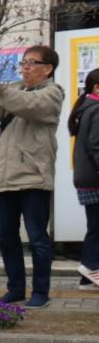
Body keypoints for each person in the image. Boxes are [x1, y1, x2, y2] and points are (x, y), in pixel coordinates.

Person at [0, 45, 65, 308]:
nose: (24, 67)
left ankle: (41, 292)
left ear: (48, 69)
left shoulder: (52, 93)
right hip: (5, 176)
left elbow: (28, 105)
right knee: (6, 236)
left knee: (37, 238)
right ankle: (15, 289)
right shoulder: (13, 90)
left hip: (33, 177)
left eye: (31, 63)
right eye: (23, 62)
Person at [69, 68, 99, 288]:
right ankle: (90, 266)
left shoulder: (85, 108)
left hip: (87, 177)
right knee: (97, 227)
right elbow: (97, 146)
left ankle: (87, 278)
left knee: (95, 225)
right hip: (95, 178)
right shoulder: (96, 109)